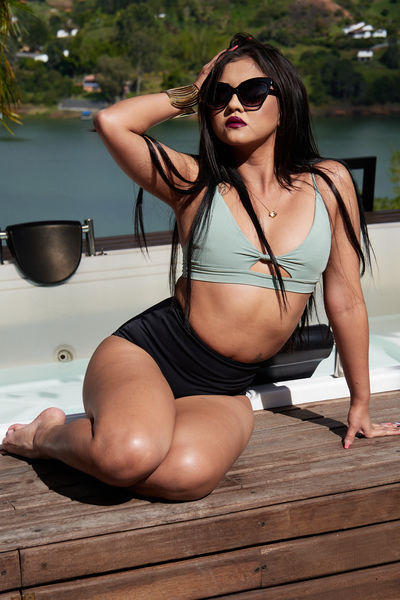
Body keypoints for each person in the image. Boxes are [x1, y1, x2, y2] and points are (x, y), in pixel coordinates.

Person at [3, 33, 399, 501]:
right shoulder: (193, 181)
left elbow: (346, 299)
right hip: (149, 355)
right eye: (220, 95)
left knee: (185, 478)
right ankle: (46, 435)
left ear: (286, 101)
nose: (234, 104)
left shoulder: (330, 183)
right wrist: (191, 93)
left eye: (253, 92)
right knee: (126, 457)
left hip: (224, 386)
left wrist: (360, 402)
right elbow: (112, 122)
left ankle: (137, 427)